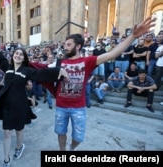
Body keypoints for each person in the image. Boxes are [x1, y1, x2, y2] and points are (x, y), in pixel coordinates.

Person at [49, 17, 156, 151]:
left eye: (68, 44)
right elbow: (43, 72)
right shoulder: (60, 62)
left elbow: (112, 54)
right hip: (61, 106)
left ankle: (71, 148)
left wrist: (133, 36)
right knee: (60, 132)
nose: (65, 47)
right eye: (65, 44)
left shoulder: (88, 61)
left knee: (78, 138)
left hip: (78, 108)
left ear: (78, 46)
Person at [0, 33, 69, 167]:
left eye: (21, 54)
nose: (18, 55)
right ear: (13, 56)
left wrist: (59, 70)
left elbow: (42, 73)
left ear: (24, 58)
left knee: (19, 129)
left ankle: (19, 146)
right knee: (6, 132)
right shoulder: (8, 67)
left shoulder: (27, 70)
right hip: (7, 104)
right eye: (16, 53)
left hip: (20, 104)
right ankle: (6, 159)